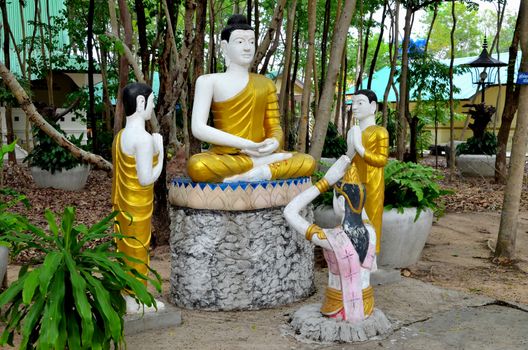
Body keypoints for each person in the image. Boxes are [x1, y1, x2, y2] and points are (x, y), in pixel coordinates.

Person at [187, 14, 315, 183]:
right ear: (225, 47)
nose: (247, 48)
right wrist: (245, 145)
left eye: (251, 42)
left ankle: (263, 171)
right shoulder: (208, 81)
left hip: (262, 152)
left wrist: (274, 143)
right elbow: (198, 128)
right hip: (226, 156)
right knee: (197, 166)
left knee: (307, 161)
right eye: (240, 42)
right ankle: (262, 166)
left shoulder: (265, 83)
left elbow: (274, 127)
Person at [284, 156, 377, 323]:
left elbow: (289, 211)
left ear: (341, 202)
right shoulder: (371, 232)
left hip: (338, 308)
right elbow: (358, 209)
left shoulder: (331, 238)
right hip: (366, 306)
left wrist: (325, 182)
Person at [112, 82, 163, 282]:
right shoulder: (143, 139)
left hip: (122, 206)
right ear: (141, 103)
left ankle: (126, 293)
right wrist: (161, 159)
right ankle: (137, 297)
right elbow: (146, 178)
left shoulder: (120, 136)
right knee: (138, 249)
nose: (153, 107)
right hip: (138, 208)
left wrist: (155, 149)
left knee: (125, 248)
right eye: (151, 102)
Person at [347, 90, 389, 253]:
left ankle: (371, 256)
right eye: (353, 103)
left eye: (360, 103)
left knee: (372, 217)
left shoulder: (380, 132)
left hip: (373, 181)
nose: (354, 107)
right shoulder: (353, 132)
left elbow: (381, 160)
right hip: (354, 180)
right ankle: (354, 254)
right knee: (353, 218)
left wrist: (360, 148)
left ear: (373, 106)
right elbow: (349, 158)